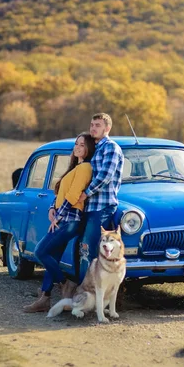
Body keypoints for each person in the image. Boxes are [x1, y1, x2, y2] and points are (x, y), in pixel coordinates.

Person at [23, 133, 95, 313]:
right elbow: (60, 194)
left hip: (70, 220)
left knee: (40, 251)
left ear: (89, 149)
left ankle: (65, 283)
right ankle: (44, 299)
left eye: (82, 145)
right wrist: (51, 209)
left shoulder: (85, 168)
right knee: (52, 257)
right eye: (77, 144)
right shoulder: (74, 168)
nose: (78, 147)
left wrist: (58, 217)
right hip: (63, 217)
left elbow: (73, 196)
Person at [77, 113, 124, 282]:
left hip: (102, 207)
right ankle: (82, 289)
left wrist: (86, 193)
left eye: (97, 125)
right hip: (90, 206)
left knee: (87, 249)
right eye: (91, 124)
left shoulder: (110, 147)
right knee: (83, 248)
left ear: (107, 128)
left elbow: (105, 176)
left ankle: (86, 291)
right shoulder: (95, 148)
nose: (93, 128)